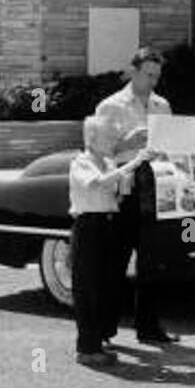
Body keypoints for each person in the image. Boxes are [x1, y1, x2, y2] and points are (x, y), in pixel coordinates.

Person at [95, 46, 177, 345]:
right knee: (115, 263)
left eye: (157, 76)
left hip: (154, 186)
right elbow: (98, 154)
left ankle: (149, 327)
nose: (152, 81)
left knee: (152, 262)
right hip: (123, 188)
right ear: (133, 71)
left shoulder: (162, 106)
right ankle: (103, 330)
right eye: (147, 75)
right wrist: (126, 141)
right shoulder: (111, 106)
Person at [69, 116, 156, 368]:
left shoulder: (107, 162)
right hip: (88, 226)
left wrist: (133, 173)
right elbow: (97, 183)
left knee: (103, 286)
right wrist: (132, 164)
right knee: (87, 288)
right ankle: (86, 348)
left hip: (107, 223)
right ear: (92, 138)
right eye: (108, 136)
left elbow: (118, 192)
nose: (112, 141)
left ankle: (97, 342)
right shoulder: (82, 162)